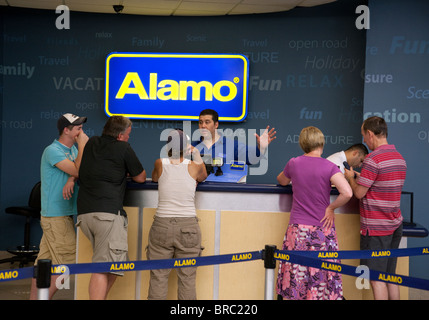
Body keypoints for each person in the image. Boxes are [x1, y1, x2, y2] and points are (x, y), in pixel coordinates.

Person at [276, 126, 352, 300]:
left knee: (297, 274)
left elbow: (281, 180)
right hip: (322, 229)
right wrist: (331, 208)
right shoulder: (329, 166)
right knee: (323, 273)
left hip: (297, 230)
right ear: (321, 143)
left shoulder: (294, 163)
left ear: (303, 144)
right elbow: (347, 192)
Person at [76, 116, 146, 300]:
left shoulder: (92, 143)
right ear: (121, 135)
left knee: (114, 265)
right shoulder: (123, 148)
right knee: (104, 267)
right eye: (128, 135)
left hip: (84, 215)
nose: (129, 138)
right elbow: (140, 177)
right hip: (107, 216)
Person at [344, 116, 407, 300]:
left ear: (370, 134)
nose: (364, 140)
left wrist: (350, 178)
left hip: (376, 230)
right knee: (390, 277)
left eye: (364, 135)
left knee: (376, 279)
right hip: (395, 225)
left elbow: (359, 193)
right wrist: (360, 177)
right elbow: (379, 185)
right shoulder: (399, 158)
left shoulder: (372, 160)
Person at [30, 113, 88, 300]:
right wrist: (83, 147)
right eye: (78, 128)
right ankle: (42, 298)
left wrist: (72, 178)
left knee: (43, 264)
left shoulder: (73, 151)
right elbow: (78, 169)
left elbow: (81, 170)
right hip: (55, 215)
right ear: (66, 130)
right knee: (69, 264)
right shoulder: (52, 150)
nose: (82, 131)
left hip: (63, 214)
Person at [147, 129, 207, 300]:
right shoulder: (194, 166)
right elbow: (203, 176)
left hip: (161, 225)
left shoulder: (160, 163)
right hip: (188, 226)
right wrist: (196, 153)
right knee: (187, 278)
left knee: (158, 276)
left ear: (168, 146)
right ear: (185, 147)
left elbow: (155, 178)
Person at [192, 109, 276, 168]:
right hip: (197, 192)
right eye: (200, 122)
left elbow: (252, 158)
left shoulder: (232, 145)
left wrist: (260, 147)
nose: (203, 126)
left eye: (207, 122)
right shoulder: (192, 147)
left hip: (223, 191)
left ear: (216, 125)